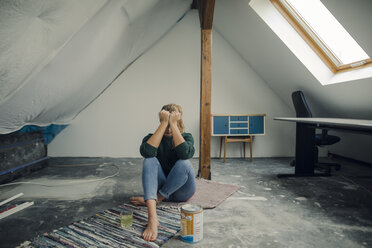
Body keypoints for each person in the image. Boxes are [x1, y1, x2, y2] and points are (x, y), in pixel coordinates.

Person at [130, 103, 196, 241]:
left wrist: (173, 124)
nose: (168, 128)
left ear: (179, 122)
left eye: (173, 123)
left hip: (181, 191)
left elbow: (185, 154)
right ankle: (153, 219)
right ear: (161, 122)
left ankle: (158, 199)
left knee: (184, 162)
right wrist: (165, 122)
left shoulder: (187, 137)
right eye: (165, 123)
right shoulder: (152, 137)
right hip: (162, 186)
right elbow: (147, 152)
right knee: (149, 160)